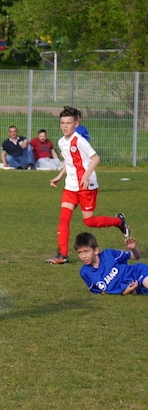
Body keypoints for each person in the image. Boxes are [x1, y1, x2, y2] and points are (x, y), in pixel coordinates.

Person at [45, 106, 130, 264]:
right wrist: (59, 176)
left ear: (76, 124)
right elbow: (69, 162)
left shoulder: (80, 140)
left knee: (89, 221)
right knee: (63, 220)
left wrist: (86, 175)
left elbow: (96, 158)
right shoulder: (61, 142)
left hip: (86, 186)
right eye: (62, 123)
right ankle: (62, 255)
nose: (65, 126)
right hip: (70, 187)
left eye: (68, 123)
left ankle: (119, 222)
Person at [75, 232, 148, 295]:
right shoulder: (85, 273)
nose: (83, 256)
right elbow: (101, 291)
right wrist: (124, 292)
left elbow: (136, 256)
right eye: (80, 252)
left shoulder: (108, 254)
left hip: (136, 273)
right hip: (134, 288)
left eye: (86, 251)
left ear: (96, 250)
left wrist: (133, 248)